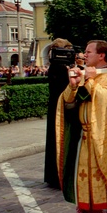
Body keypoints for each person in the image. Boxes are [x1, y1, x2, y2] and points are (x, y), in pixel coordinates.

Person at [55, 40, 107, 213]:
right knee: (86, 183)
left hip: (104, 140)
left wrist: (90, 80)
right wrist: (73, 85)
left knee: (105, 182)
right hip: (85, 139)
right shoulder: (85, 75)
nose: (84, 54)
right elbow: (70, 101)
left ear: (101, 55)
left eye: (88, 51)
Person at [44, 38, 73, 189]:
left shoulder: (55, 66)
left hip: (55, 106)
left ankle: (53, 176)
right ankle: (58, 176)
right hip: (60, 107)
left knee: (54, 139)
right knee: (59, 139)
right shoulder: (60, 68)